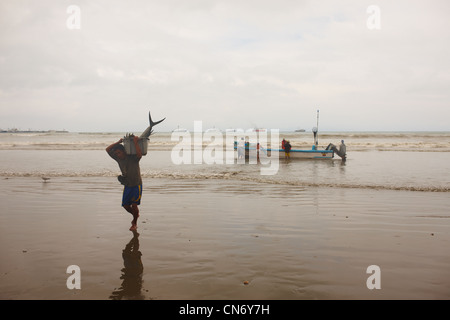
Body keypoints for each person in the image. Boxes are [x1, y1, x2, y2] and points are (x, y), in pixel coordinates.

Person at [106, 136, 143, 231]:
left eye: (119, 152)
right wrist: (118, 141)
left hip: (136, 184)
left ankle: (134, 223)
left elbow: (140, 155)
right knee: (126, 206)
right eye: (116, 153)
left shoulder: (132, 158)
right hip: (127, 185)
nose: (118, 155)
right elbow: (107, 149)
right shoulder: (118, 159)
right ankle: (136, 214)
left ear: (124, 151)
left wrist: (135, 142)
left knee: (134, 205)